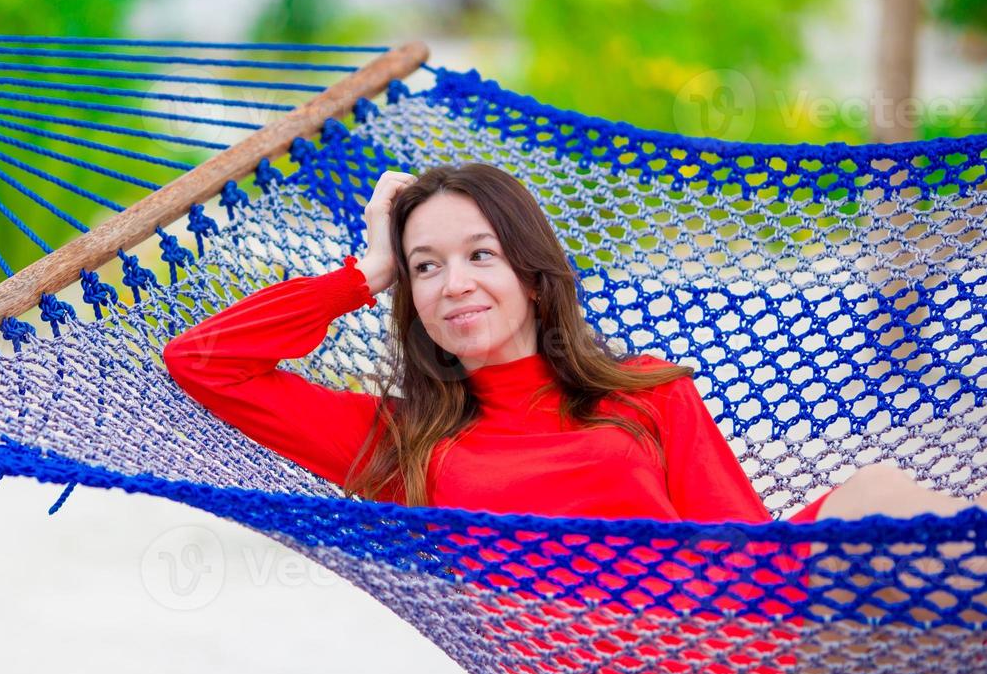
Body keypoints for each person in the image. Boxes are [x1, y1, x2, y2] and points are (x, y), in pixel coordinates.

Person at [163, 162, 986, 525]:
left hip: (743, 654)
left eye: (480, 255)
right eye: (426, 267)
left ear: (530, 274)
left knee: (880, 490)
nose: (454, 284)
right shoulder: (401, 444)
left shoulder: (647, 391)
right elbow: (203, 362)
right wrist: (364, 269)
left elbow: (745, 549)